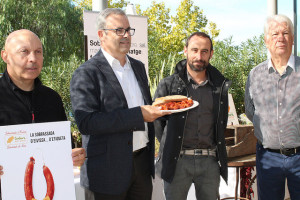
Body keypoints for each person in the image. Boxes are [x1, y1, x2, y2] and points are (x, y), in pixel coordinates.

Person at [70, 8, 169, 200]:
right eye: (119, 30)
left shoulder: (138, 67)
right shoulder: (86, 73)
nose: (125, 36)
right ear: (101, 35)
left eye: (128, 30)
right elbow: (87, 122)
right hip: (106, 173)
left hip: (141, 167)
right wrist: (138, 115)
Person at [0, 29, 86, 182]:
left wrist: (74, 156)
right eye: (24, 51)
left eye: (38, 52)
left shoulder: (52, 99)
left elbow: (65, 148)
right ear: (5, 56)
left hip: (48, 189)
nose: (33, 58)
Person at [154, 32, 230, 200]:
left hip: (209, 162)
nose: (199, 56)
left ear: (211, 54)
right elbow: (157, 122)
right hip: (177, 162)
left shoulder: (219, 86)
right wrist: (172, 144)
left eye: (204, 51)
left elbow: (221, 122)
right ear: (185, 51)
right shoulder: (168, 85)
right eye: (194, 50)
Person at [245, 14, 300, 200]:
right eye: (274, 33)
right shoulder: (255, 75)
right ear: (266, 40)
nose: (280, 38)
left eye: (285, 33)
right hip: (268, 157)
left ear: (292, 39)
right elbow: (251, 111)